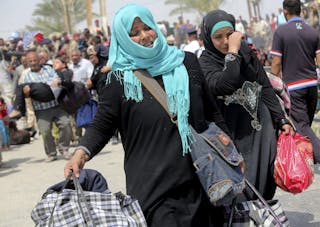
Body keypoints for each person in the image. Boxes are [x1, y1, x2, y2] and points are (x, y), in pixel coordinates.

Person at [65, 3, 231, 226]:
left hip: (203, 180)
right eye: (134, 33)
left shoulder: (186, 63)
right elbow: (103, 123)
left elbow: (212, 112)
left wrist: (230, 153)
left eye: (147, 28)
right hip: (155, 189)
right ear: (123, 38)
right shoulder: (117, 80)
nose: (144, 36)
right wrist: (81, 153)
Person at [199, 9, 293, 200]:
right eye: (218, 37)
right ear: (208, 38)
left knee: (265, 181)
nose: (226, 41)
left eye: (229, 34)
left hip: (261, 130)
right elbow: (225, 84)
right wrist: (233, 53)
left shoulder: (246, 53)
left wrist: (281, 119)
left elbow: (265, 86)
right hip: (233, 136)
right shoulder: (205, 63)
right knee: (241, 186)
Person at [270, 0, 320, 163]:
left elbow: (276, 63)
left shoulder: (281, 32)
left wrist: (271, 83)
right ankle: (307, 157)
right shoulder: (312, 31)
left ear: (285, 12)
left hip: (294, 87)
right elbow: (319, 60)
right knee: (305, 125)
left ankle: (317, 156)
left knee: (302, 125)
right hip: (312, 85)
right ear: (301, 10)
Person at [22, 51, 72, 162]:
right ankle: (51, 153)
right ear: (27, 63)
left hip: (56, 105)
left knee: (66, 124)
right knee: (45, 132)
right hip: (41, 109)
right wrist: (26, 93)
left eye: (35, 60)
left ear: (39, 60)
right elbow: (26, 95)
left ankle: (64, 148)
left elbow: (56, 79)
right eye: (30, 61)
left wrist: (56, 81)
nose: (33, 63)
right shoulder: (27, 77)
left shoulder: (48, 69)